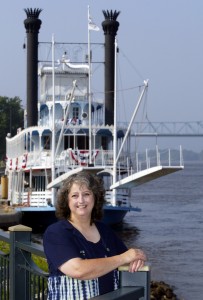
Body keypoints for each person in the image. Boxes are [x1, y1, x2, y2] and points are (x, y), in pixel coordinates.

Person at [43, 171, 146, 300]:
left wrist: (137, 256)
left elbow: (129, 258)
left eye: (86, 194)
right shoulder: (57, 232)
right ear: (66, 201)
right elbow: (78, 270)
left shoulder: (105, 231)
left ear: (95, 198)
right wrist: (123, 258)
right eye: (75, 196)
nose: (81, 200)